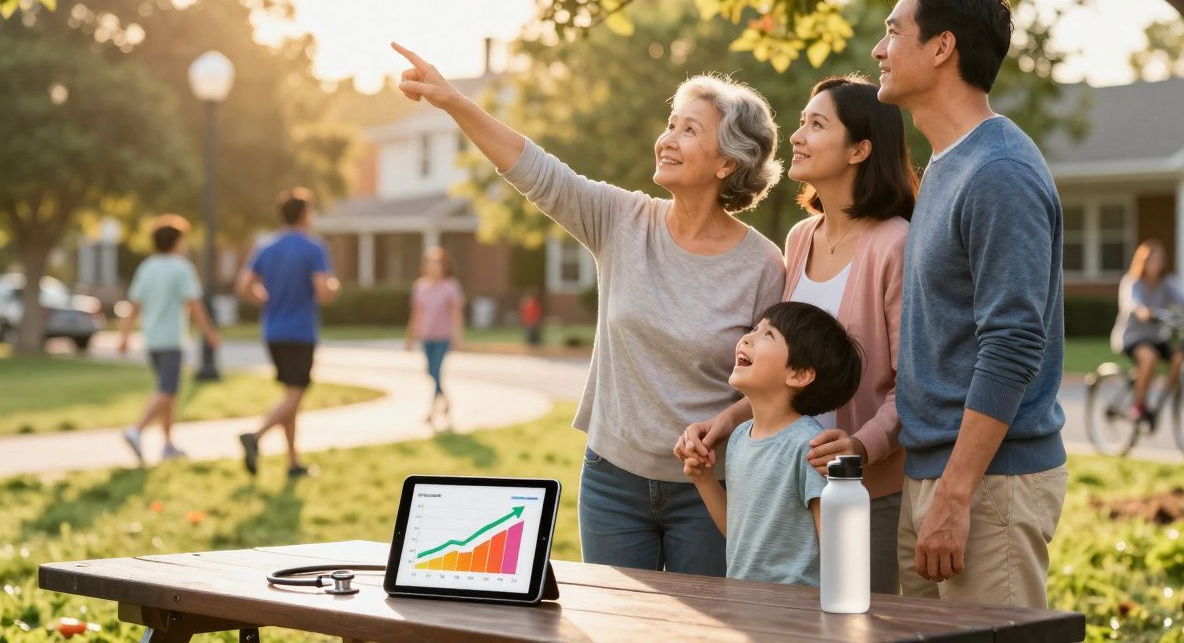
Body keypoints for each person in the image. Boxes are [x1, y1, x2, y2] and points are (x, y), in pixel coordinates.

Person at [392, 42, 785, 576]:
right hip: (612, 481)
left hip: (708, 487)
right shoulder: (621, 220)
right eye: (670, 124)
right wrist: (454, 101)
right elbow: (533, 169)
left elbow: (768, 388)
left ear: (727, 162)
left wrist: (723, 421)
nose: (667, 140)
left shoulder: (762, 264)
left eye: (689, 130)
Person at [677, 74, 916, 594]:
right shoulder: (800, 237)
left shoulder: (894, 244)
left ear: (859, 149)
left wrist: (860, 447)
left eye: (816, 124)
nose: (797, 136)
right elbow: (790, 365)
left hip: (863, 491)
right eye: (802, 122)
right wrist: (727, 420)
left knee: (854, 623)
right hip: (785, 482)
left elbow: (914, 384)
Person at [875, 0, 1068, 608]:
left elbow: (1013, 344)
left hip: (987, 485)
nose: (879, 49)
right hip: (935, 474)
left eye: (893, 31)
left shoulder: (998, 172)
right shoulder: (947, 162)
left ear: (941, 47)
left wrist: (957, 495)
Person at [683, 302, 862, 586]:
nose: (747, 338)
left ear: (799, 375)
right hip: (745, 606)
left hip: (795, 616)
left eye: (768, 335)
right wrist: (704, 480)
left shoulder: (809, 448)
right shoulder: (740, 437)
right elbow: (739, 533)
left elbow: (837, 555)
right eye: (755, 328)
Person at [234, 187, 340, 479]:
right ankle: (255, 437)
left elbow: (244, 284)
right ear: (305, 214)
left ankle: (293, 463)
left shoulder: (266, 246)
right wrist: (334, 287)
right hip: (300, 331)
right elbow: (322, 291)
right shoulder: (313, 247)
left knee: (289, 395)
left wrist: (264, 298)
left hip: (273, 330)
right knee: (295, 394)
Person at [118, 215, 220, 465]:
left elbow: (134, 306)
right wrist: (209, 333)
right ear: (176, 242)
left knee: (167, 392)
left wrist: (124, 336)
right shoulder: (181, 268)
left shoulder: (147, 267)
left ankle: (168, 445)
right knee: (168, 390)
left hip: (152, 339)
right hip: (171, 339)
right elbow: (194, 305)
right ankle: (137, 430)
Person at [1110, 240, 1184, 428]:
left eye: (1160, 260)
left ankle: (1161, 393)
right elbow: (1132, 301)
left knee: (1180, 359)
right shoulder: (1132, 282)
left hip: (1156, 337)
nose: (1156, 264)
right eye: (1152, 260)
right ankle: (1138, 406)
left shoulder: (1167, 282)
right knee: (1150, 358)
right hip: (1131, 338)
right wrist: (1143, 311)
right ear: (1142, 262)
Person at [405, 246, 464, 425]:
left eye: (437, 264)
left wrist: (458, 336)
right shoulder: (420, 287)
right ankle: (446, 400)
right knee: (430, 372)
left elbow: (456, 313)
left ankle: (432, 411)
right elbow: (416, 314)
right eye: (430, 264)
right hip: (427, 337)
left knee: (437, 372)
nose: (433, 268)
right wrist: (409, 337)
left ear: (444, 266)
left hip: (443, 337)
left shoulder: (451, 287)